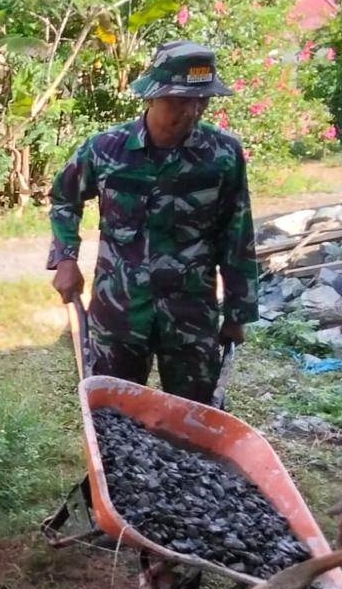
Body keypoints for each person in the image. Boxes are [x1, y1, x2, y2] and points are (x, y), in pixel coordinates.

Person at [47, 40, 259, 403]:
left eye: (201, 101)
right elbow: (64, 199)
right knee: (114, 415)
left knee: (197, 418)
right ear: (151, 97)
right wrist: (65, 259)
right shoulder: (105, 149)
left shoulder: (222, 154)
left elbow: (237, 232)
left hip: (191, 316)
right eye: (179, 100)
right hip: (119, 312)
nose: (191, 112)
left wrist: (238, 313)